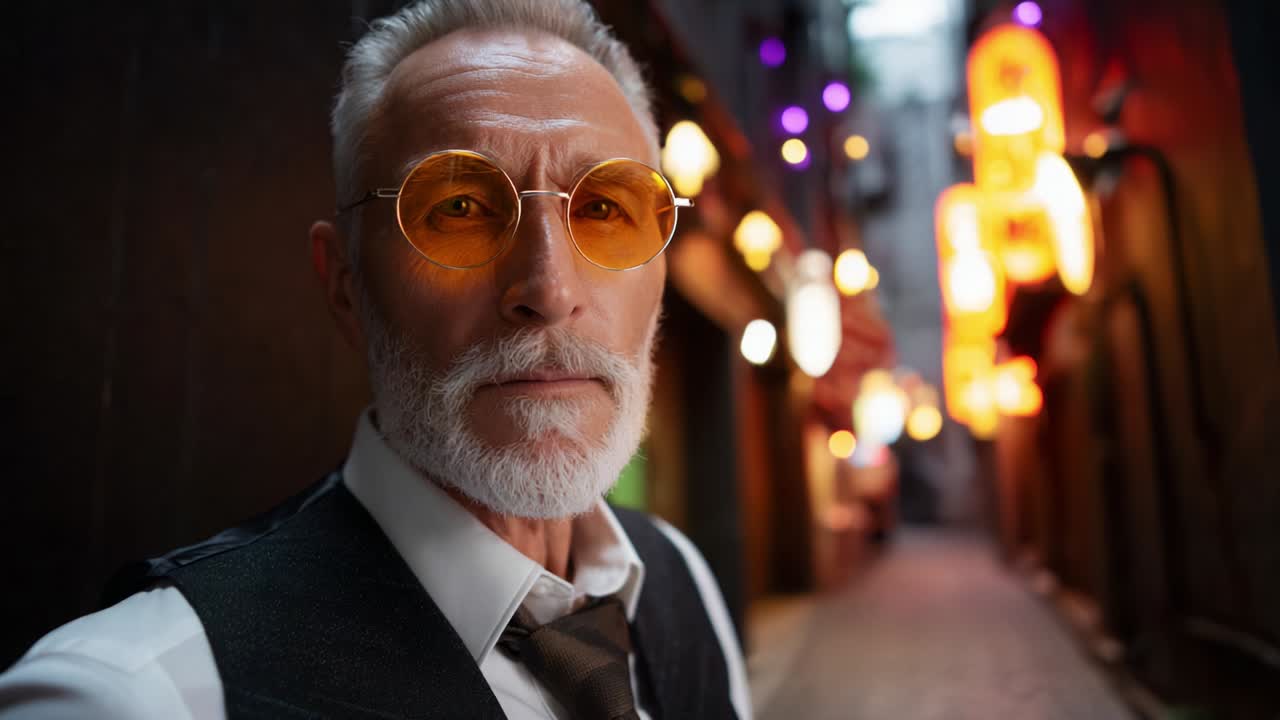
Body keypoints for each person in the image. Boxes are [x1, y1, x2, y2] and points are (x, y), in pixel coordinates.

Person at [0, 1, 751, 717]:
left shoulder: (683, 584)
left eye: (603, 208)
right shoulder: (133, 697)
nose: (550, 291)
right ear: (346, 286)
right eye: (459, 207)